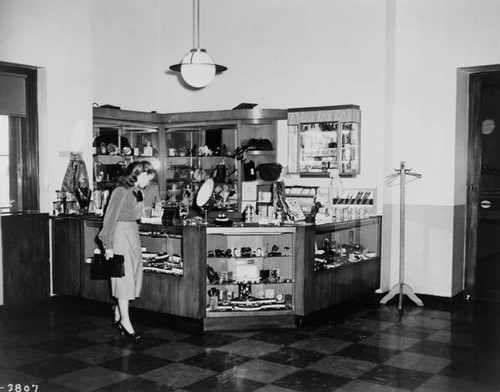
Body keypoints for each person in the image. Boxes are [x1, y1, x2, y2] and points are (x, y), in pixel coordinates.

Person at [98, 160, 157, 340]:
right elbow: (109, 219)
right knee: (123, 278)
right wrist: (108, 245)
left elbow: (137, 212)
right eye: (148, 178)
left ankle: (118, 309)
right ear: (139, 174)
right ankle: (125, 321)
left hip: (132, 232)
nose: (149, 183)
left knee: (133, 275)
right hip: (120, 233)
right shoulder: (120, 191)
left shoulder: (137, 191)